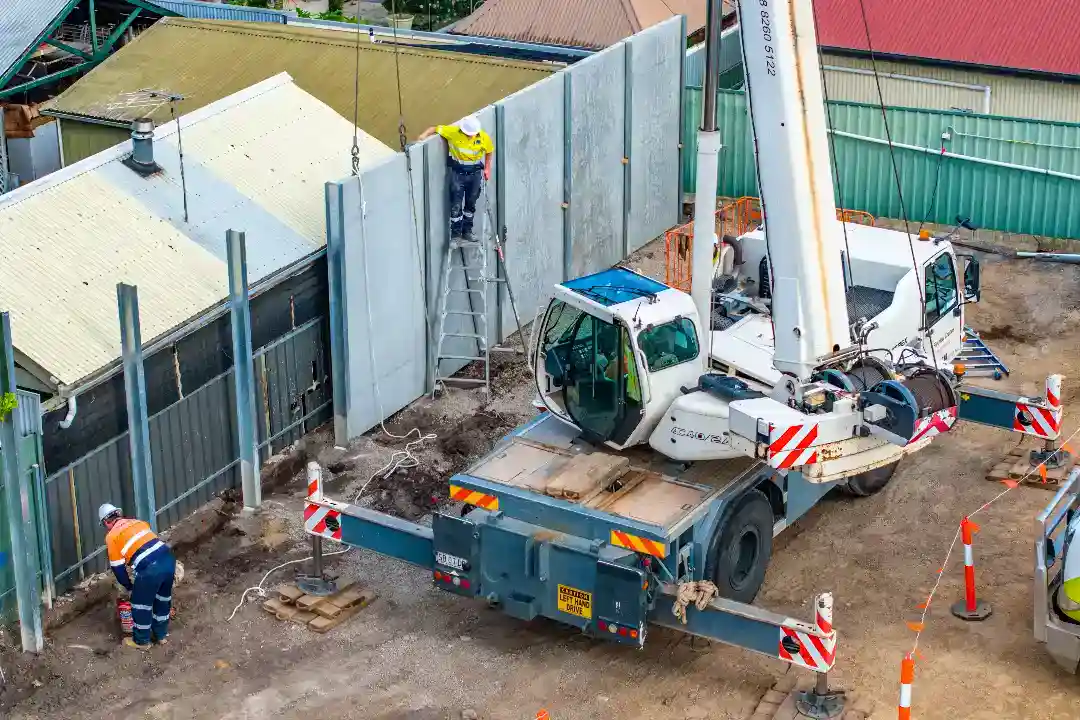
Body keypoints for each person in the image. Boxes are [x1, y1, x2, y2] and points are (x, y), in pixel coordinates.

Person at [99, 503, 177, 649]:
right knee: (163, 599)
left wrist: (129, 587)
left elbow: (118, 568)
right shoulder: (138, 522)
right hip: (168, 559)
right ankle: (161, 635)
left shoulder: (112, 536)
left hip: (150, 568)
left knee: (140, 604)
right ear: (119, 514)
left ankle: (141, 641)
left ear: (105, 522)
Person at [418, 115, 494, 241]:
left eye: (473, 134)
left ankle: (467, 231)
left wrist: (487, 168)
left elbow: (489, 151)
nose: (471, 136)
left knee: (471, 204)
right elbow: (434, 128)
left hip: (474, 176)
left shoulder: (483, 137)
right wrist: (423, 135)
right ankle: (456, 235)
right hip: (458, 175)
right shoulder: (453, 132)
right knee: (456, 205)